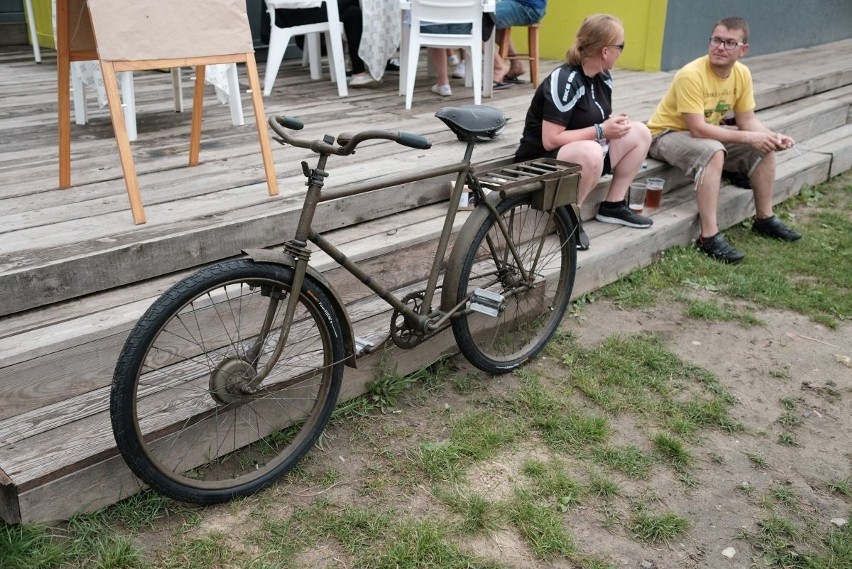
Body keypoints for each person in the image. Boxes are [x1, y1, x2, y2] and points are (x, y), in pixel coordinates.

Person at [647, 16, 801, 264]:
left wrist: (770, 137)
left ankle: (764, 219)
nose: (720, 47)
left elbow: (747, 119)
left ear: (744, 49)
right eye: (717, 40)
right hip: (664, 134)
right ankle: (708, 236)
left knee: (762, 149)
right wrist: (750, 136)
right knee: (713, 151)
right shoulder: (691, 74)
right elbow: (697, 129)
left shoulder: (741, 73)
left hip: (702, 133)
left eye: (730, 43)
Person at [514, 14, 652, 250]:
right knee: (591, 151)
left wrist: (612, 126)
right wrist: (601, 130)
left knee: (640, 133)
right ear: (606, 51)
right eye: (622, 46)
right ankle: (569, 217)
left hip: (581, 154)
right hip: (539, 159)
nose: (622, 51)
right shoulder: (565, 79)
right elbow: (550, 140)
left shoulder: (603, 76)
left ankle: (613, 205)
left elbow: (592, 120)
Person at [274, 0, 381, 89]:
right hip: (293, 10)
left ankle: (359, 72)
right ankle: (366, 63)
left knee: (353, 13)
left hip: (302, 7)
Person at [492, 0, 547, 86]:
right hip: (532, 5)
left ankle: (498, 67)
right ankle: (516, 65)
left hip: (526, 6)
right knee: (486, 16)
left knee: (481, 19)